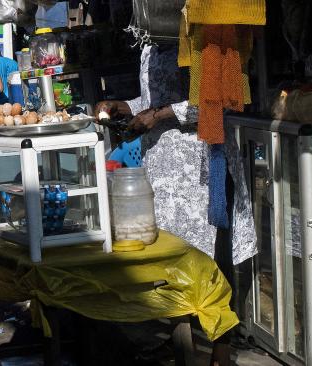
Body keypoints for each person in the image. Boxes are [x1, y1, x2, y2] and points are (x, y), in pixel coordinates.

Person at [95, 42, 257, 366]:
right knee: (171, 256)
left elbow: (216, 100)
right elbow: (152, 99)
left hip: (202, 163)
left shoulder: (205, 38)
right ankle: (180, 338)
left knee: (214, 255)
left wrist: (158, 116)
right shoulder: (149, 48)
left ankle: (221, 347)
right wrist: (124, 106)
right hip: (163, 169)